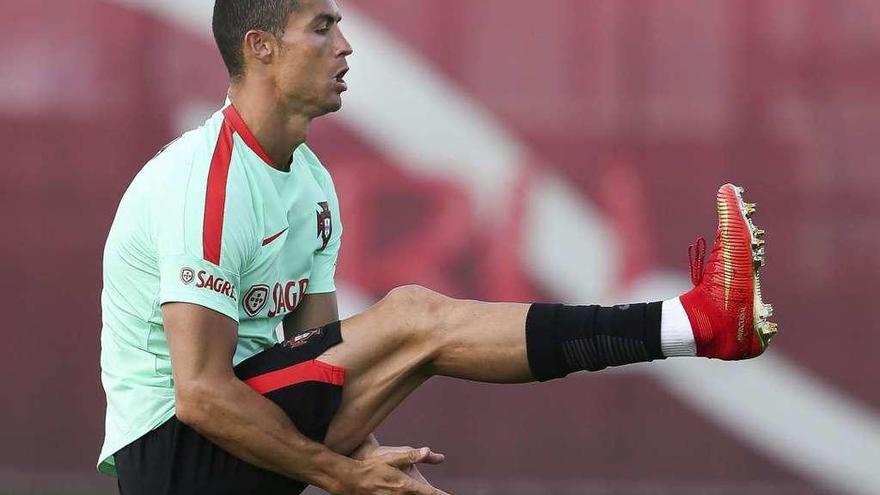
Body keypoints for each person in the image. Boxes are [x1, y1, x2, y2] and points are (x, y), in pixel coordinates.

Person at [97, 0, 778, 494]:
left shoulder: (310, 182)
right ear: (261, 47)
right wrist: (345, 476)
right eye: (323, 26)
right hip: (173, 457)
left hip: (242, 434)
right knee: (415, 318)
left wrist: (374, 461)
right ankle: (695, 323)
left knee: (416, 333)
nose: (346, 46)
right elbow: (200, 395)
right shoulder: (206, 182)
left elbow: (324, 358)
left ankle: (697, 325)